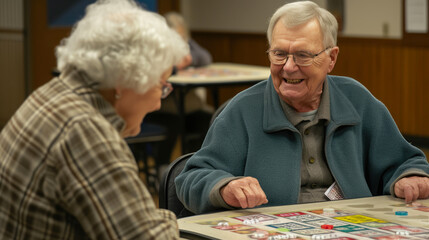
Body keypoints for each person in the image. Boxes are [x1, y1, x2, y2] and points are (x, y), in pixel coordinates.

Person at [175, 1, 429, 215]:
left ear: (331, 58)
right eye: (279, 54)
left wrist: (408, 177)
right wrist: (224, 187)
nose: (288, 66)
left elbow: (404, 162)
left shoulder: (357, 101)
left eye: (302, 56)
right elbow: (191, 178)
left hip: (354, 226)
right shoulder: (242, 111)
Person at [0, 0, 188, 239]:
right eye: (161, 86)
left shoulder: (51, 94)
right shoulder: (85, 130)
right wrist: (168, 221)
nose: (158, 103)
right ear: (125, 80)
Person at [145, 12, 213, 167]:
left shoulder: (188, 46)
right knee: (173, 122)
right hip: (162, 107)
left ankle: (196, 164)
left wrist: (190, 60)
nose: (180, 41)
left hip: (189, 106)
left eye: (183, 37)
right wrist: (176, 66)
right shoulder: (157, 49)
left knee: (209, 118)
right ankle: (162, 167)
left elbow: (205, 57)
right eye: (176, 36)